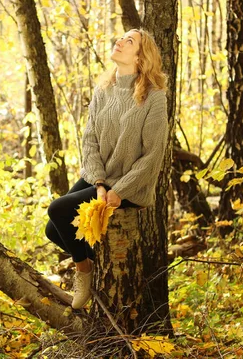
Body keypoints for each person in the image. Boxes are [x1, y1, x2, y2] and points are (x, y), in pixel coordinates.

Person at [45, 28, 169, 309]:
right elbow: (89, 140)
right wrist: (99, 183)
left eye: (130, 41)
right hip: (101, 178)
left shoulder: (154, 96)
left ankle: (84, 272)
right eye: (121, 37)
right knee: (52, 231)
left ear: (140, 57)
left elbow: (152, 156)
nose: (120, 41)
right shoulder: (104, 89)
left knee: (58, 209)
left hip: (130, 185)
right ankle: (96, 263)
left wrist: (119, 190)